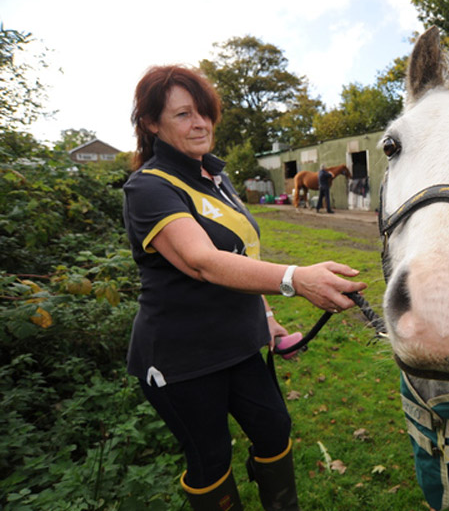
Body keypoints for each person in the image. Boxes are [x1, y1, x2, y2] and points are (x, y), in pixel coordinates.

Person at [124, 65, 366, 511]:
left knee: (274, 427)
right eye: (182, 115)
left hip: (239, 344)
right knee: (211, 457)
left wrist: (268, 318)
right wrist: (295, 278)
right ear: (152, 124)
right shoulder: (148, 188)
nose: (200, 123)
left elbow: (243, 254)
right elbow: (202, 262)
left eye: (204, 112)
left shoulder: (216, 179)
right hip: (182, 360)